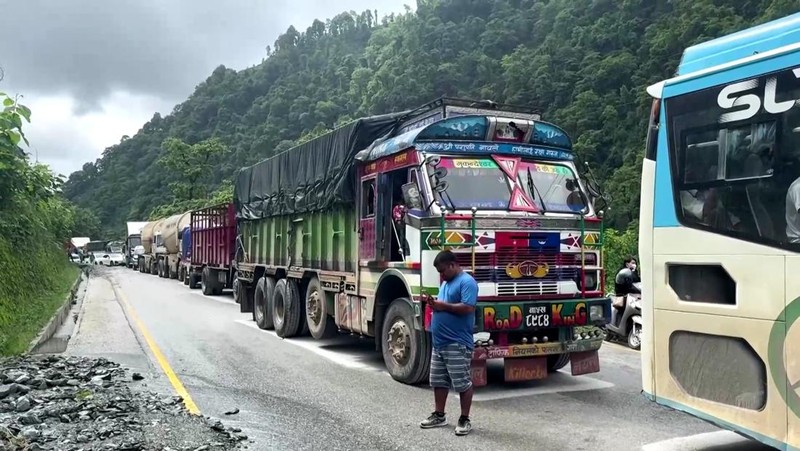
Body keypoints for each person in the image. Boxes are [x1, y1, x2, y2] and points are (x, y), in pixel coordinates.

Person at [420, 250, 478, 436]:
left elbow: (468, 307)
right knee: (438, 380)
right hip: (440, 343)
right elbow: (445, 305)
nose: (441, 275)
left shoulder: (467, 282)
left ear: (453, 265)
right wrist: (434, 304)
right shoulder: (446, 283)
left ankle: (464, 418)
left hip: (457, 342)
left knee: (462, 382)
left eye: (443, 271)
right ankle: (439, 415)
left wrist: (442, 306)